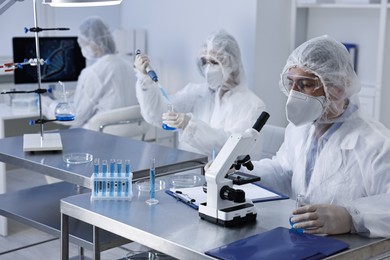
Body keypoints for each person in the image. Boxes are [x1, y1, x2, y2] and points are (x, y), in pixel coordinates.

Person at [249, 35, 390, 238]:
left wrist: (351, 217)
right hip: (303, 241)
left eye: (305, 84)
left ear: (339, 86)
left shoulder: (377, 144)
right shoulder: (300, 129)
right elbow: (284, 171)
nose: (294, 94)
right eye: (291, 83)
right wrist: (242, 171)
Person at [134, 30, 266, 158]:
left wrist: (190, 126)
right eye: (204, 62)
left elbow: (236, 149)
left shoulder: (252, 106)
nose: (208, 68)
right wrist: (145, 80)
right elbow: (157, 115)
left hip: (222, 177)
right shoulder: (196, 93)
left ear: (232, 63)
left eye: (214, 62)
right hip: (186, 172)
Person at [42, 16, 138, 128]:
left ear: (94, 44)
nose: (82, 47)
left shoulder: (93, 73)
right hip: (129, 138)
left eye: (84, 43)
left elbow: (76, 116)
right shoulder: (129, 66)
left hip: (101, 139)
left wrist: (47, 106)